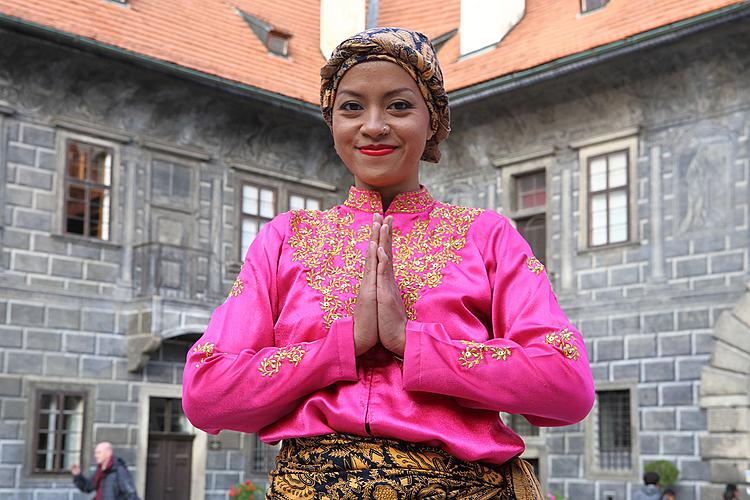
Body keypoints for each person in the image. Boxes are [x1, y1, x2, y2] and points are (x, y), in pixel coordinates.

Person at [182, 27, 595, 498]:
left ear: (433, 119)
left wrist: (413, 343)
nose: (374, 126)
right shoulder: (285, 240)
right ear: (331, 121)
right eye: (351, 107)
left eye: (399, 105)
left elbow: (567, 384)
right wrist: (342, 346)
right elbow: (206, 393)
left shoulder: (487, 237)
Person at [70, 441, 139, 500]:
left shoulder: (119, 470)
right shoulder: (100, 470)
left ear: (108, 454)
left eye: (99, 453)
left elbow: (131, 494)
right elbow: (88, 487)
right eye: (95, 453)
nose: (96, 456)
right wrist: (78, 475)